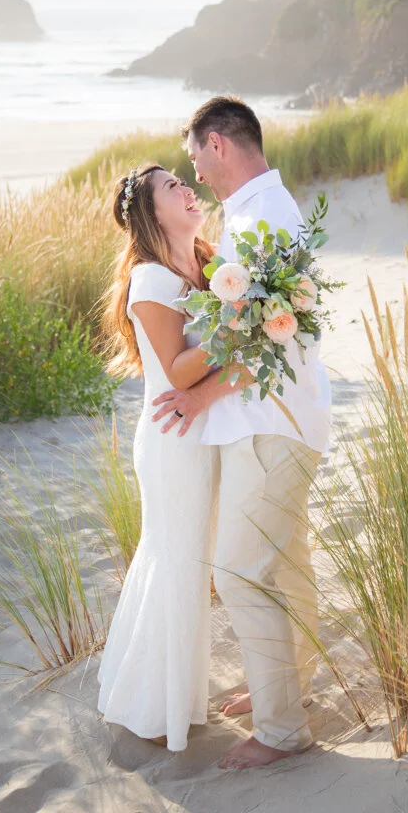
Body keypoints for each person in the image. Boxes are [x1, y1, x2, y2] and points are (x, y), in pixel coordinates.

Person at [152, 97, 332, 770]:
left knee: (239, 572)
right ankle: (287, 689)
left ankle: (284, 729)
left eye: (194, 154)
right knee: (286, 565)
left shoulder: (261, 218)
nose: (194, 171)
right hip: (283, 418)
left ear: (218, 143)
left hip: (268, 421)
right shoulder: (264, 213)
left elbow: (259, 343)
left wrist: (196, 396)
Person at [96, 163, 220, 751]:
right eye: (172, 186)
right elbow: (177, 370)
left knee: (192, 564)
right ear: (149, 212)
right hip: (174, 437)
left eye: (184, 181)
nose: (187, 188)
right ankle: (154, 707)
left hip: (204, 428)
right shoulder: (149, 279)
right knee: (175, 562)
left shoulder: (204, 262)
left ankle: (182, 698)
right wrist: (239, 328)